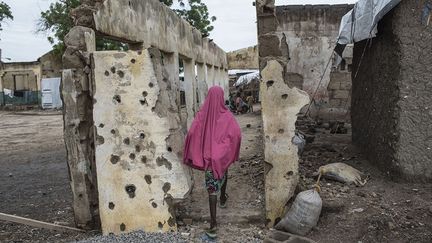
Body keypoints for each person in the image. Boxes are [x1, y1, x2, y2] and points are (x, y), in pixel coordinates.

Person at [183, 86, 242, 239]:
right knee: (224, 171)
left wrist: (197, 148)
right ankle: (223, 198)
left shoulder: (202, 114)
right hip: (221, 157)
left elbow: (191, 132)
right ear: (222, 97)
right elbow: (237, 134)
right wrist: (227, 149)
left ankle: (213, 225)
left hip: (209, 159)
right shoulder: (227, 115)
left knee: (211, 189)